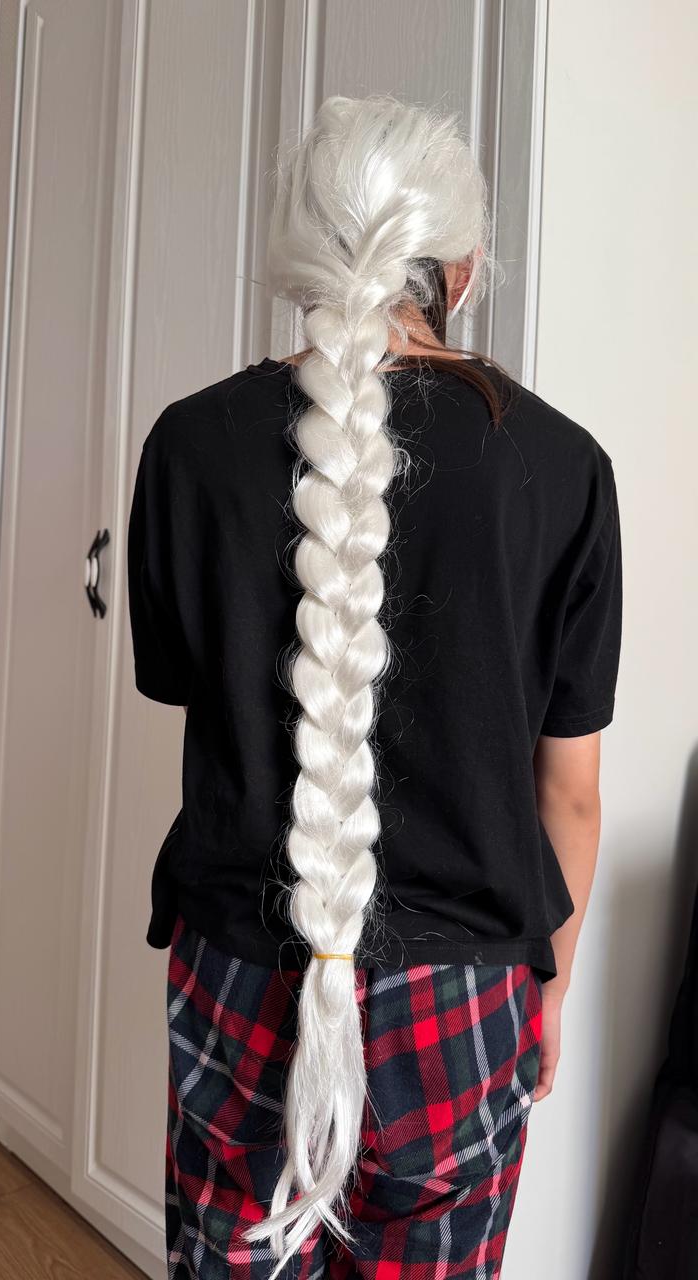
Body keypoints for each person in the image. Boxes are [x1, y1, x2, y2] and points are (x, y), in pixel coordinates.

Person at [127, 94, 622, 1280]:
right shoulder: (564, 467)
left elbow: (190, 691)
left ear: (300, 258)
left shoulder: (190, 445)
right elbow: (570, 794)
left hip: (246, 973)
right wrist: (547, 987)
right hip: (462, 996)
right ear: (461, 271)